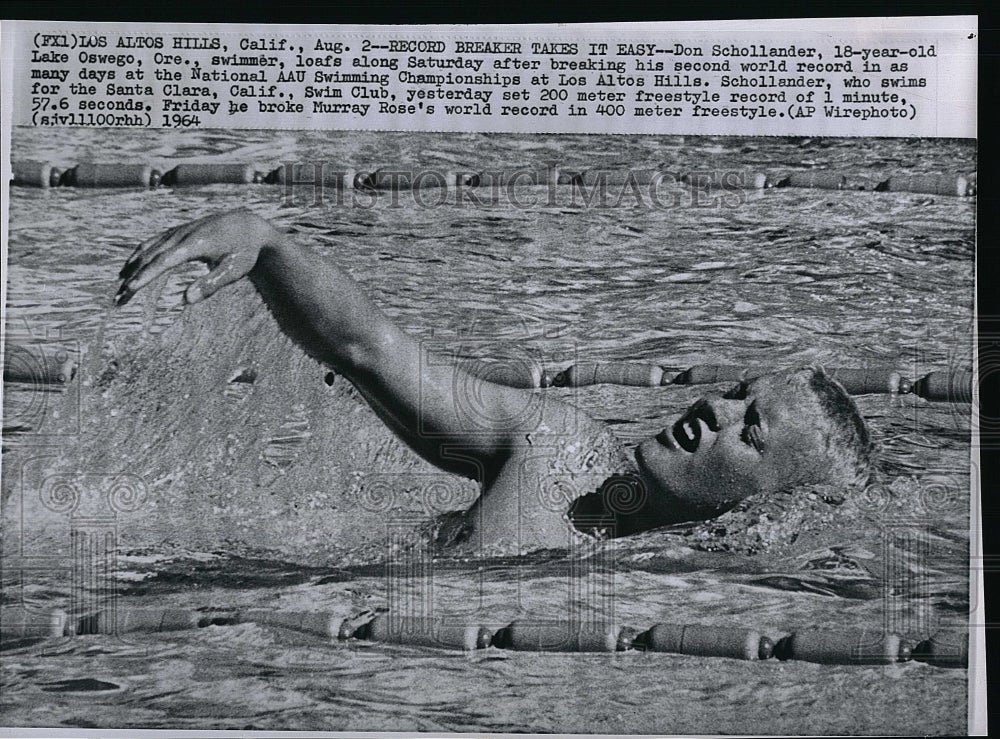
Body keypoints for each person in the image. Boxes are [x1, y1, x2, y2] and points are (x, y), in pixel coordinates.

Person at [116, 209, 874, 553]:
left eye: (750, 429)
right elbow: (369, 349)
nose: (714, 405)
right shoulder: (557, 447)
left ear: (776, 504)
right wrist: (269, 244)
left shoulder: (683, 593)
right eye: (737, 391)